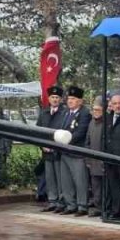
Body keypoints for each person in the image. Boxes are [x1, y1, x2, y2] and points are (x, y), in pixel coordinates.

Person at [57, 87, 92, 215]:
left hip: (77, 152)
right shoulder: (65, 112)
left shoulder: (84, 113)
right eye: (69, 98)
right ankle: (70, 204)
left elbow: (81, 132)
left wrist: (64, 140)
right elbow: (60, 129)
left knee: (80, 180)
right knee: (66, 181)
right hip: (64, 151)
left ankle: (82, 205)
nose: (70, 101)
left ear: (80, 101)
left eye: (73, 99)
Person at [37, 86, 66, 211]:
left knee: (60, 178)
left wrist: (56, 145)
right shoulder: (43, 113)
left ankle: (61, 202)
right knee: (49, 178)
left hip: (59, 151)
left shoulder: (64, 113)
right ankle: (52, 201)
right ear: (49, 99)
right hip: (46, 151)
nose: (54, 99)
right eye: (52, 97)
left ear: (60, 99)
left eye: (57, 97)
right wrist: (42, 145)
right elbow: (37, 132)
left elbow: (66, 132)